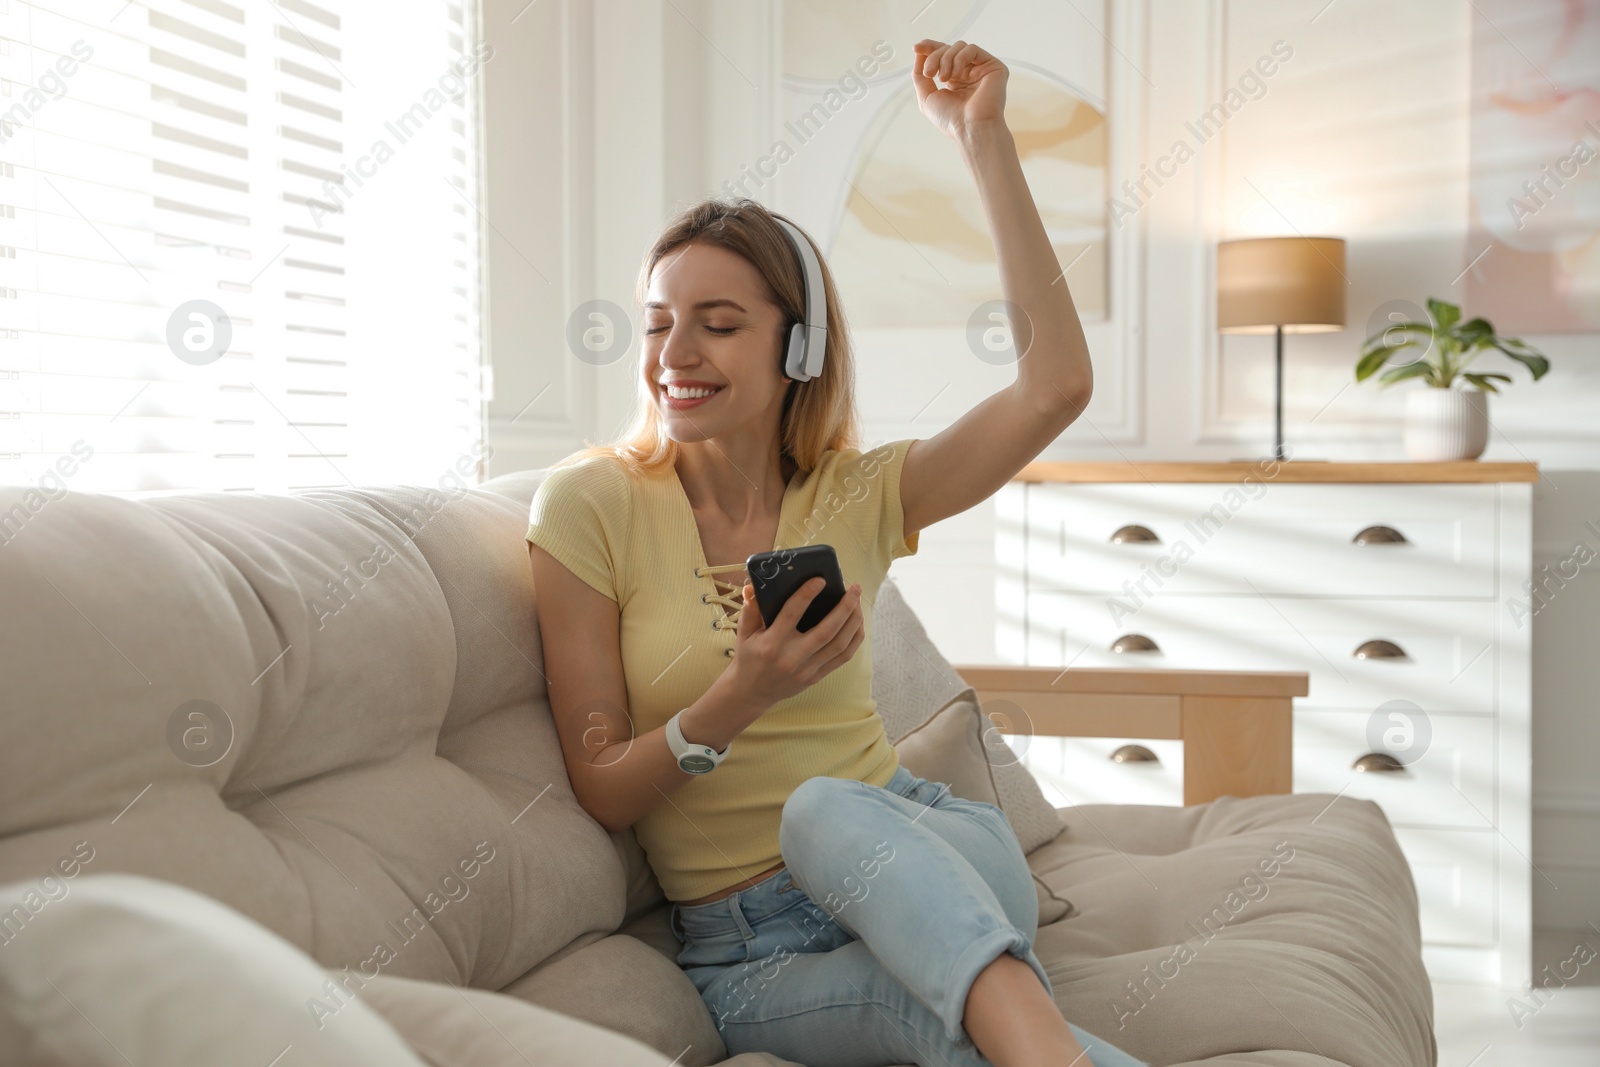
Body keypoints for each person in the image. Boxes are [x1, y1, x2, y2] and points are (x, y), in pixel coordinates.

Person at [526, 37, 1147, 1067]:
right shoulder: (589, 502)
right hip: (755, 944)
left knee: (826, 807)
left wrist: (983, 139)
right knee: (963, 1034)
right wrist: (740, 693)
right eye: (657, 323)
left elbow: (1054, 389)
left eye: (718, 324)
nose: (675, 355)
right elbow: (601, 782)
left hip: (933, 851)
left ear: (797, 345)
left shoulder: (854, 493)